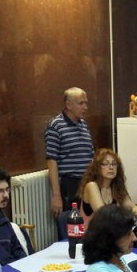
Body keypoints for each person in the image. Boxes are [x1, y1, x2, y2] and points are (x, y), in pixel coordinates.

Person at [45, 86, 95, 239]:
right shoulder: (56, 125)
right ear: (68, 105)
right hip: (69, 184)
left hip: (87, 183)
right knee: (72, 228)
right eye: (81, 103)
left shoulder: (83, 124)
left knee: (88, 226)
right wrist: (56, 196)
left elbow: (90, 155)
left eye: (86, 103)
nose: (85, 107)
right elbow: (51, 161)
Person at [78, 148, 137, 223]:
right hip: (93, 230)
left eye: (114, 164)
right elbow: (104, 216)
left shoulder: (117, 188)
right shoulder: (91, 186)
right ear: (97, 167)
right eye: (105, 164)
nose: (111, 167)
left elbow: (135, 208)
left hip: (113, 229)